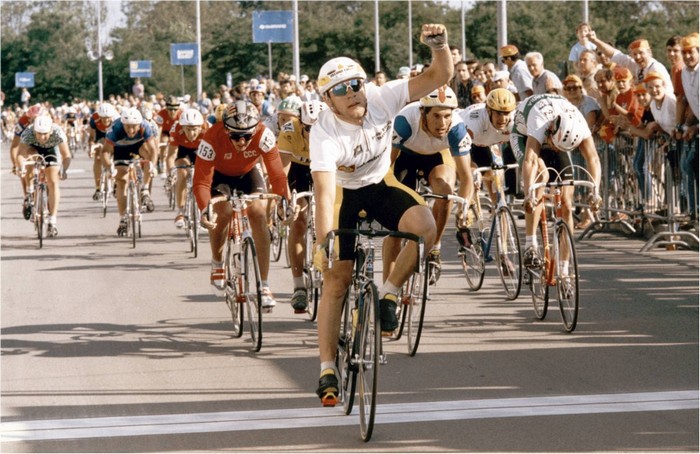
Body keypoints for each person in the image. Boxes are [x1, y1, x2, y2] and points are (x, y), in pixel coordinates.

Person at [309, 23, 453, 407]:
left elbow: (439, 76)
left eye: (355, 84)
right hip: (343, 195)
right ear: (328, 100)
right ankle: (327, 368)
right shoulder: (324, 133)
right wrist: (323, 242)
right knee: (337, 280)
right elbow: (324, 194)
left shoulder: (382, 97)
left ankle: (388, 294)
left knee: (425, 228)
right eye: (340, 90)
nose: (352, 93)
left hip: (379, 184)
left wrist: (439, 46)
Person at [194, 101, 289, 309]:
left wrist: (284, 201)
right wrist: (204, 209)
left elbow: (277, 175)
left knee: (258, 213)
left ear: (255, 129)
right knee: (222, 212)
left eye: (247, 135)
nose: (242, 141)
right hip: (219, 176)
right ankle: (218, 262)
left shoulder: (264, 135)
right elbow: (201, 182)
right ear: (226, 130)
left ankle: (264, 285)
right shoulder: (211, 137)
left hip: (248, 173)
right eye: (236, 136)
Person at [389, 85, 472, 284]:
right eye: (436, 116)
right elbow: (388, 166)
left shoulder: (457, 129)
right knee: (396, 213)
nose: (442, 123)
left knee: (445, 194)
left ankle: (435, 247)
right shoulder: (404, 122)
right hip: (405, 156)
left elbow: (466, 177)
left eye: (447, 116)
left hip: (437, 156)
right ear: (422, 112)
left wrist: (464, 208)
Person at [510, 94, 602, 267]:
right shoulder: (539, 121)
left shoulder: (580, 124)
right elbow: (530, 161)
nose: (554, 149)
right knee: (539, 178)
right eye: (554, 145)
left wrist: (595, 192)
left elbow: (594, 159)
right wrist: (529, 194)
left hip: (557, 136)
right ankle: (530, 244)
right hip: (523, 135)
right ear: (552, 129)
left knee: (566, 203)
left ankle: (564, 268)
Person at [277, 100, 327, 313]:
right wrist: (284, 200)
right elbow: (282, 172)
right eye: (309, 129)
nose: (314, 134)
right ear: (301, 124)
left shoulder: (335, 129)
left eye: (319, 129)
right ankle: (298, 286)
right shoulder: (289, 131)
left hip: (324, 168)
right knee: (298, 221)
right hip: (298, 170)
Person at [102, 108, 158, 235]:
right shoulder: (115, 129)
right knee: (121, 181)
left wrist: (153, 166)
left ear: (139, 124)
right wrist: (110, 167)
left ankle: (145, 190)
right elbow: (105, 151)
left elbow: (153, 150)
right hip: (120, 149)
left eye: (134, 127)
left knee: (149, 158)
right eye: (128, 127)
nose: (131, 130)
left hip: (139, 146)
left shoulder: (145, 126)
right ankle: (123, 218)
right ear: (123, 124)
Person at [459, 88, 517, 206]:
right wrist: (472, 171)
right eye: (498, 113)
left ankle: (499, 208)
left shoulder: (515, 121)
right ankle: (465, 207)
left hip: (488, 142)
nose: (502, 119)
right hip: (465, 141)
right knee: (471, 177)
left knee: (495, 177)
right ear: (488, 111)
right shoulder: (474, 122)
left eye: (506, 113)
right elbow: (460, 151)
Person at [17, 114, 72, 237]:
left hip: (51, 151)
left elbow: (67, 155)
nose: (42, 137)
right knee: (30, 159)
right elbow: (20, 154)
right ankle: (30, 192)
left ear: (50, 130)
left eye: (45, 134)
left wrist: (63, 169)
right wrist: (21, 168)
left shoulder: (58, 132)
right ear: (34, 131)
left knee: (53, 181)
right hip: (33, 149)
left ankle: (52, 221)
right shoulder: (28, 132)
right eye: (39, 134)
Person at [587, 33, 673, 91]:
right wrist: (594, 40)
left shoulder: (656, 68)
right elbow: (614, 54)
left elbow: (664, 92)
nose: (637, 57)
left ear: (649, 52)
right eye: (634, 54)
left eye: (641, 53)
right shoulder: (636, 66)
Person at [166, 108, 208, 228]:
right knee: (182, 173)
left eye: (194, 129)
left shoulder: (208, 129)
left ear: (200, 127)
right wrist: (171, 173)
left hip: (202, 150)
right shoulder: (176, 129)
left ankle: (205, 211)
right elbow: (170, 156)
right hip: (183, 151)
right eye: (188, 129)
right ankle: (180, 211)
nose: (191, 133)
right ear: (182, 127)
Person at [11, 104, 46, 214]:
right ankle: (28, 195)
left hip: (43, 142)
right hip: (27, 144)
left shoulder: (48, 120)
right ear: (28, 118)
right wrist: (16, 165)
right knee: (24, 168)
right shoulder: (23, 122)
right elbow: (15, 146)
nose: (34, 123)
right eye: (32, 120)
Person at [88, 102, 119, 201]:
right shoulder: (94, 118)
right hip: (100, 135)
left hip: (113, 135)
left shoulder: (117, 119)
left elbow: (120, 138)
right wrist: (91, 147)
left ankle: (117, 183)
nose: (106, 120)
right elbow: (92, 137)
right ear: (99, 116)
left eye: (108, 118)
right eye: (103, 118)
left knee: (118, 156)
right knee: (97, 157)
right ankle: (98, 188)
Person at [155, 96, 182, 176]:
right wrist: (157, 145)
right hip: (166, 132)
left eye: (175, 110)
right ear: (166, 108)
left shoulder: (181, 115)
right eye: (170, 109)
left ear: (178, 109)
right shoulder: (161, 114)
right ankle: (162, 162)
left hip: (177, 133)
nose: (172, 112)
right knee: (163, 141)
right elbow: (158, 130)